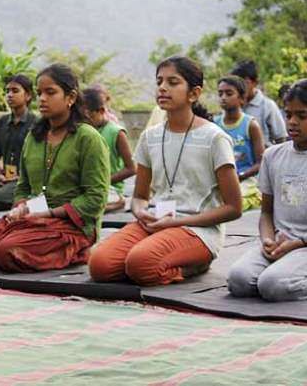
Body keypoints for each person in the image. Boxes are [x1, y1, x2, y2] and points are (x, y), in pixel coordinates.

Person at [89, 58, 242, 286]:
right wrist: (141, 213)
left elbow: (233, 207)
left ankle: (193, 264)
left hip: (197, 229)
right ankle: (152, 260)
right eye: (159, 81)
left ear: (194, 93)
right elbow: (140, 197)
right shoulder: (150, 137)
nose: (162, 87)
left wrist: (177, 223)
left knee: (140, 264)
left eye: (172, 82)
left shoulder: (214, 138)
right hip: (155, 222)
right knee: (99, 265)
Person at [0, 64, 110, 272]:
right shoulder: (35, 136)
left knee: (7, 252)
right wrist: (20, 207)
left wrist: (49, 214)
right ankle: (30, 242)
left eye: (50, 92)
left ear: (71, 97)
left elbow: (96, 197)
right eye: (40, 93)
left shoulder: (88, 138)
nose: (42, 98)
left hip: (71, 224)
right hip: (32, 217)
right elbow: (23, 186)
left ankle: (76, 251)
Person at [227, 80, 307, 302]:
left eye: (302, 116)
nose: (293, 122)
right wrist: (267, 239)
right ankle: (286, 270)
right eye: (289, 115)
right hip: (280, 242)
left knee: (272, 285)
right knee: (238, 280)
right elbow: (266, 212)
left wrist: (300, 243)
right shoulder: (272, 156)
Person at [0, 75, 37, 211]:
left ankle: (34, 200)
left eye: (15, 91)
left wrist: (19, 177)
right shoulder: (1, 122)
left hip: (25, 183)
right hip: (5, 180)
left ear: (28, 96)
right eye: (7, 91)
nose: (9, 95)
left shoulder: (36, 124)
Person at [213, 75, 265, 210]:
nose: (223, 97)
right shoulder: (214, 124)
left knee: (233, 204)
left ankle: (255, 198)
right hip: (221, 180)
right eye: (220, 93)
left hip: (246, 180)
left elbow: (261, 162)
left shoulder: (250, 125)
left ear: (242, 99)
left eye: (229, 93)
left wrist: (240, 175)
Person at [82, 86, 136, 211]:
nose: (84, 122)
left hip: (109, 188)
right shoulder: (81, 131)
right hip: (85, 188)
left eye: (87, 117)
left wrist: (103, 182)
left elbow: (132, 168)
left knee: (92, 203)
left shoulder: (116, 132)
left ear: (101, 111)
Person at [231, 59, 287, 145]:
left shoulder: (268, 106)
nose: (240, 88)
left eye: (245, 83)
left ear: (255, 82)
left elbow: (281, 138)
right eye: (236, 84)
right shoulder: (231, 105)